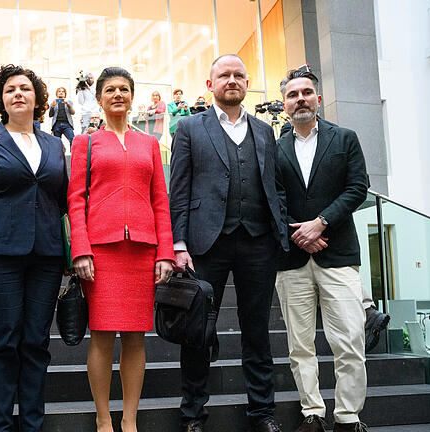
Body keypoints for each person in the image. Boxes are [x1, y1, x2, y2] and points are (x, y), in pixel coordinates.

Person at [169, 54, 288, 432]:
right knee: (198, 331)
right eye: (224, 75)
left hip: (258, 242)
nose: (232, 80)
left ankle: (263, 414)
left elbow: (274, 186)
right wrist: (179, 242)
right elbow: (180, 190)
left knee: (257, 332)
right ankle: (192, 415)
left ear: (247, 83)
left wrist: (280, 230)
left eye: (239, 75)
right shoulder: (189, 127)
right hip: (206, 243)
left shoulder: (264, 131)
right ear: (210, 85)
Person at [0, 64, 67, 432]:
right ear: (0, 100)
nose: (18, 93)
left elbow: (63, 200)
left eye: (25, 88)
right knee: (3, 341)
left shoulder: (54, 143)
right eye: (9, 90)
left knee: (36, 342)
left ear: (37, 98)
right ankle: (1, 426)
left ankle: (32, 425)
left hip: (47, 257)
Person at [69, 67, 174, 432]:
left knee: (135, 338)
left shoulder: (149, 144)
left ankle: (129, 420)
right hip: (100, 252)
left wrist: (165, 253)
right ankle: (103, 420)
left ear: (133, 97)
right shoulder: (85, 143)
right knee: (100, 337)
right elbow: (75, 200)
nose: (118, 94)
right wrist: (80, 249)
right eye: (110, 89)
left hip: (143, 250)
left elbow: (161, 201)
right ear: (98, 98)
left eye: (124, 89)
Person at [275, 68, 370, 432]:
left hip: (337, 253)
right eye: (292, 94)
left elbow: (357, 187)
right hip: (292, 259)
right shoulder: (274, 147)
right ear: (285, 104)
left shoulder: (344, 138)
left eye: (306, 92)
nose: (300, 99)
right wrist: (300, 234)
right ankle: (312, 413)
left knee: (349, 340)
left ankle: (347, 417)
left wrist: (321, 223)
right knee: (300, 346)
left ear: (318, 98)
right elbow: (272, 198)